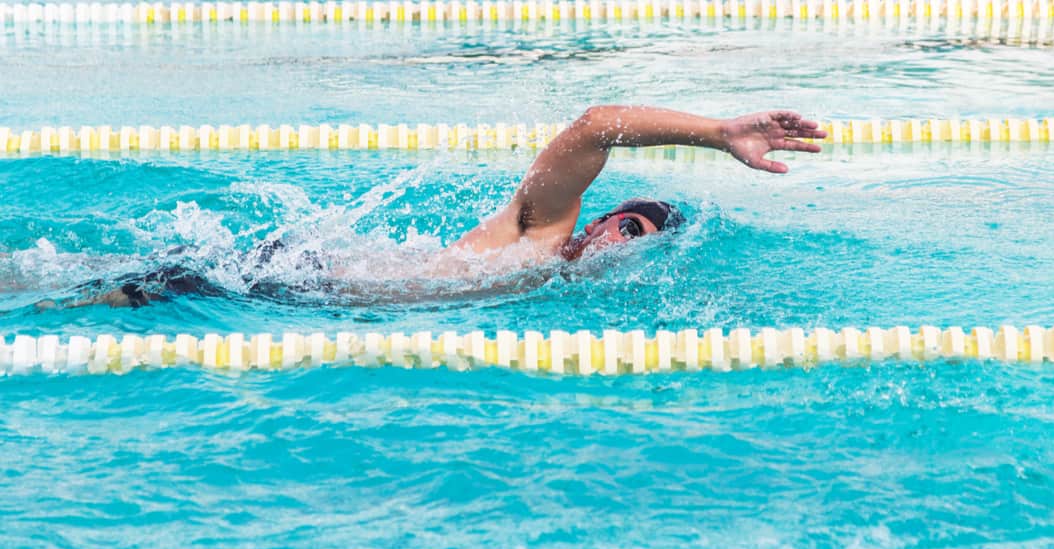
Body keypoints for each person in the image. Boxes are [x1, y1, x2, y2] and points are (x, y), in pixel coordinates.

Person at [68, 105, 827, 307]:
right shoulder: (536, 236)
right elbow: (598, 124)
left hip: (277, 292)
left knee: (57, 283)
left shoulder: (546, 288)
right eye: (614, 218)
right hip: (272, 280)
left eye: (630, 234)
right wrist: (720, 132)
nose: (605, 233)